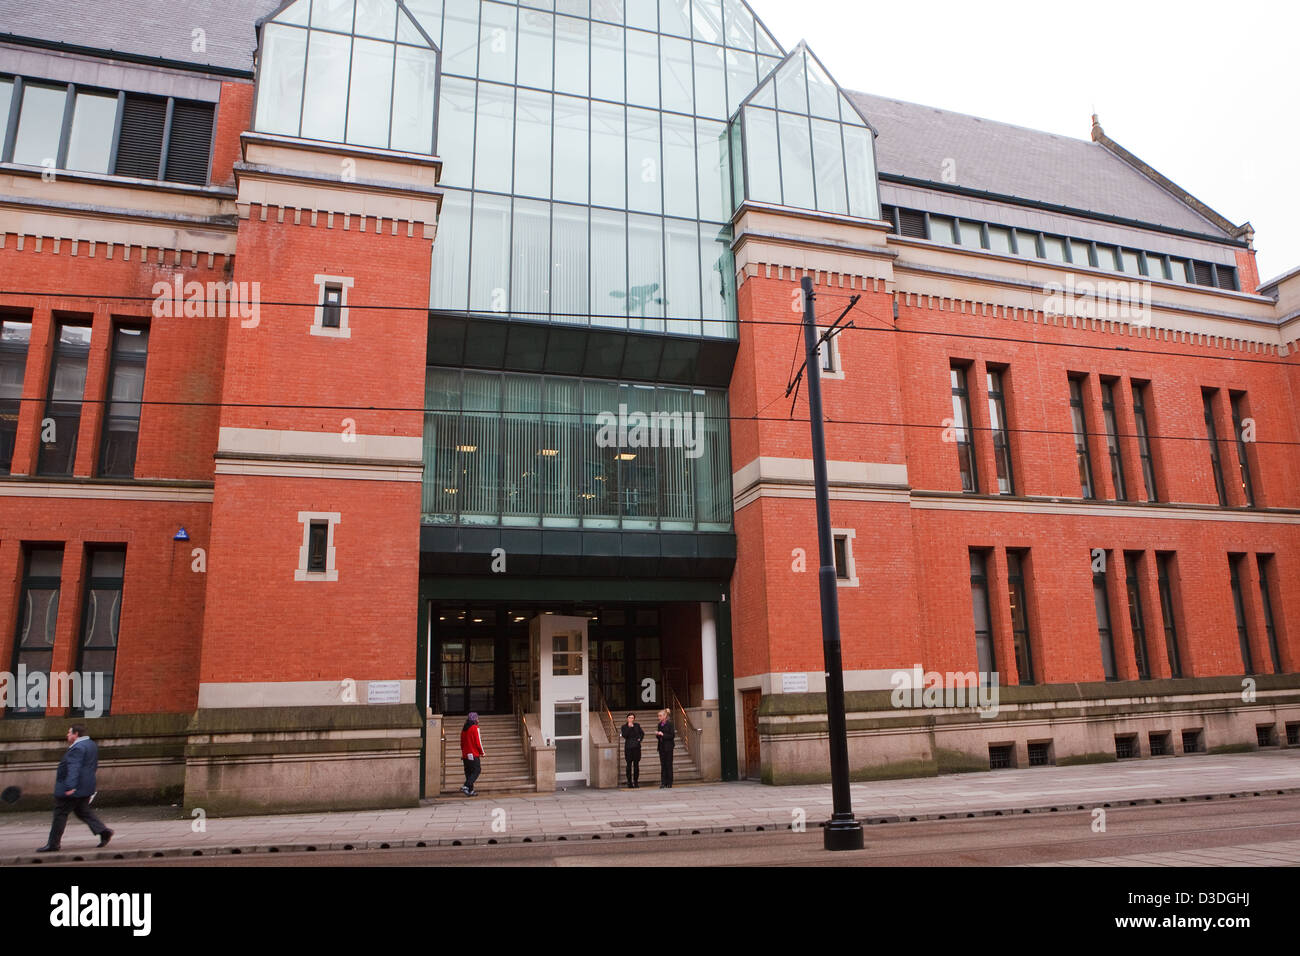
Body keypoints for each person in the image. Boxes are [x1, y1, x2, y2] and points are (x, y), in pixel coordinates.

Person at [38, 724, 112, 853]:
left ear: (76, 734)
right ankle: (104, 832)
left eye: (69, 733)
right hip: (86, 785)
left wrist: (70, 786)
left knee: (60, 813)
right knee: (82, 811)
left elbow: (74, 767)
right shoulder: (91, 745)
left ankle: (53, 844)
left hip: (74, 787)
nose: (67, 735)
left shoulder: (77, 748)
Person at [460, 712, 484, 796]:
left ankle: (470, 790)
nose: (478, 720)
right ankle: (466, 786)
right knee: (477, 770)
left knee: (469, 772)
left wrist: (463, 753)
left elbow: (462, 743)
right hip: (473, 753)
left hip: (466, 754)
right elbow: (478, 742)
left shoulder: (464, 729)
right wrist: (482, 752)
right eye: (477, 718)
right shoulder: (475, 728)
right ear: (474, 719)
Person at [620, 713, 644, 788]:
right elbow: (625, 735)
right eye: (629, 717)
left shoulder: (637, 725)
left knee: (636, 765)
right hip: (628, 747)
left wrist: (639, 739)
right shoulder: (624, 727)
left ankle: (636, 782)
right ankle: (629, 782)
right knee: (629, 765)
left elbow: (641, 733)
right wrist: (629, 728)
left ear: (634, 719)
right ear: (627, 718)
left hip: (636, 747)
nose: (631, 719)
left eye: (632, 718)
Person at [655, 709, 675, 789]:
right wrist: (658, 734)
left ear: (665, 716)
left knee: (668, 764)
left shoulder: (670, 724)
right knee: (663, 765)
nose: (658, 717)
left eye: (660, 716)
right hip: (661, 747)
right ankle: (663, 782)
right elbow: (659, 737)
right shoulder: (660, 724)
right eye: (658, 716)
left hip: (669, 747)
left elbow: (672, 735)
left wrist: (663, 734)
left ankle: (669, 782)